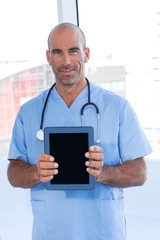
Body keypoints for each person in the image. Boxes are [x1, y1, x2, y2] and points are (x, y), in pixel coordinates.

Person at [7, 22, 152, 240]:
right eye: (57, 52)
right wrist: (35, 173)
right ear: (48, 57)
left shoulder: (117, 107)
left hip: (102, 232)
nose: (66, 61)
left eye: (73, 51)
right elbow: (13, 173)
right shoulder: (29, 112)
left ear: (86, 53)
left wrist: (104, 172)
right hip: (50, 232)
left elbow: (140, 173)